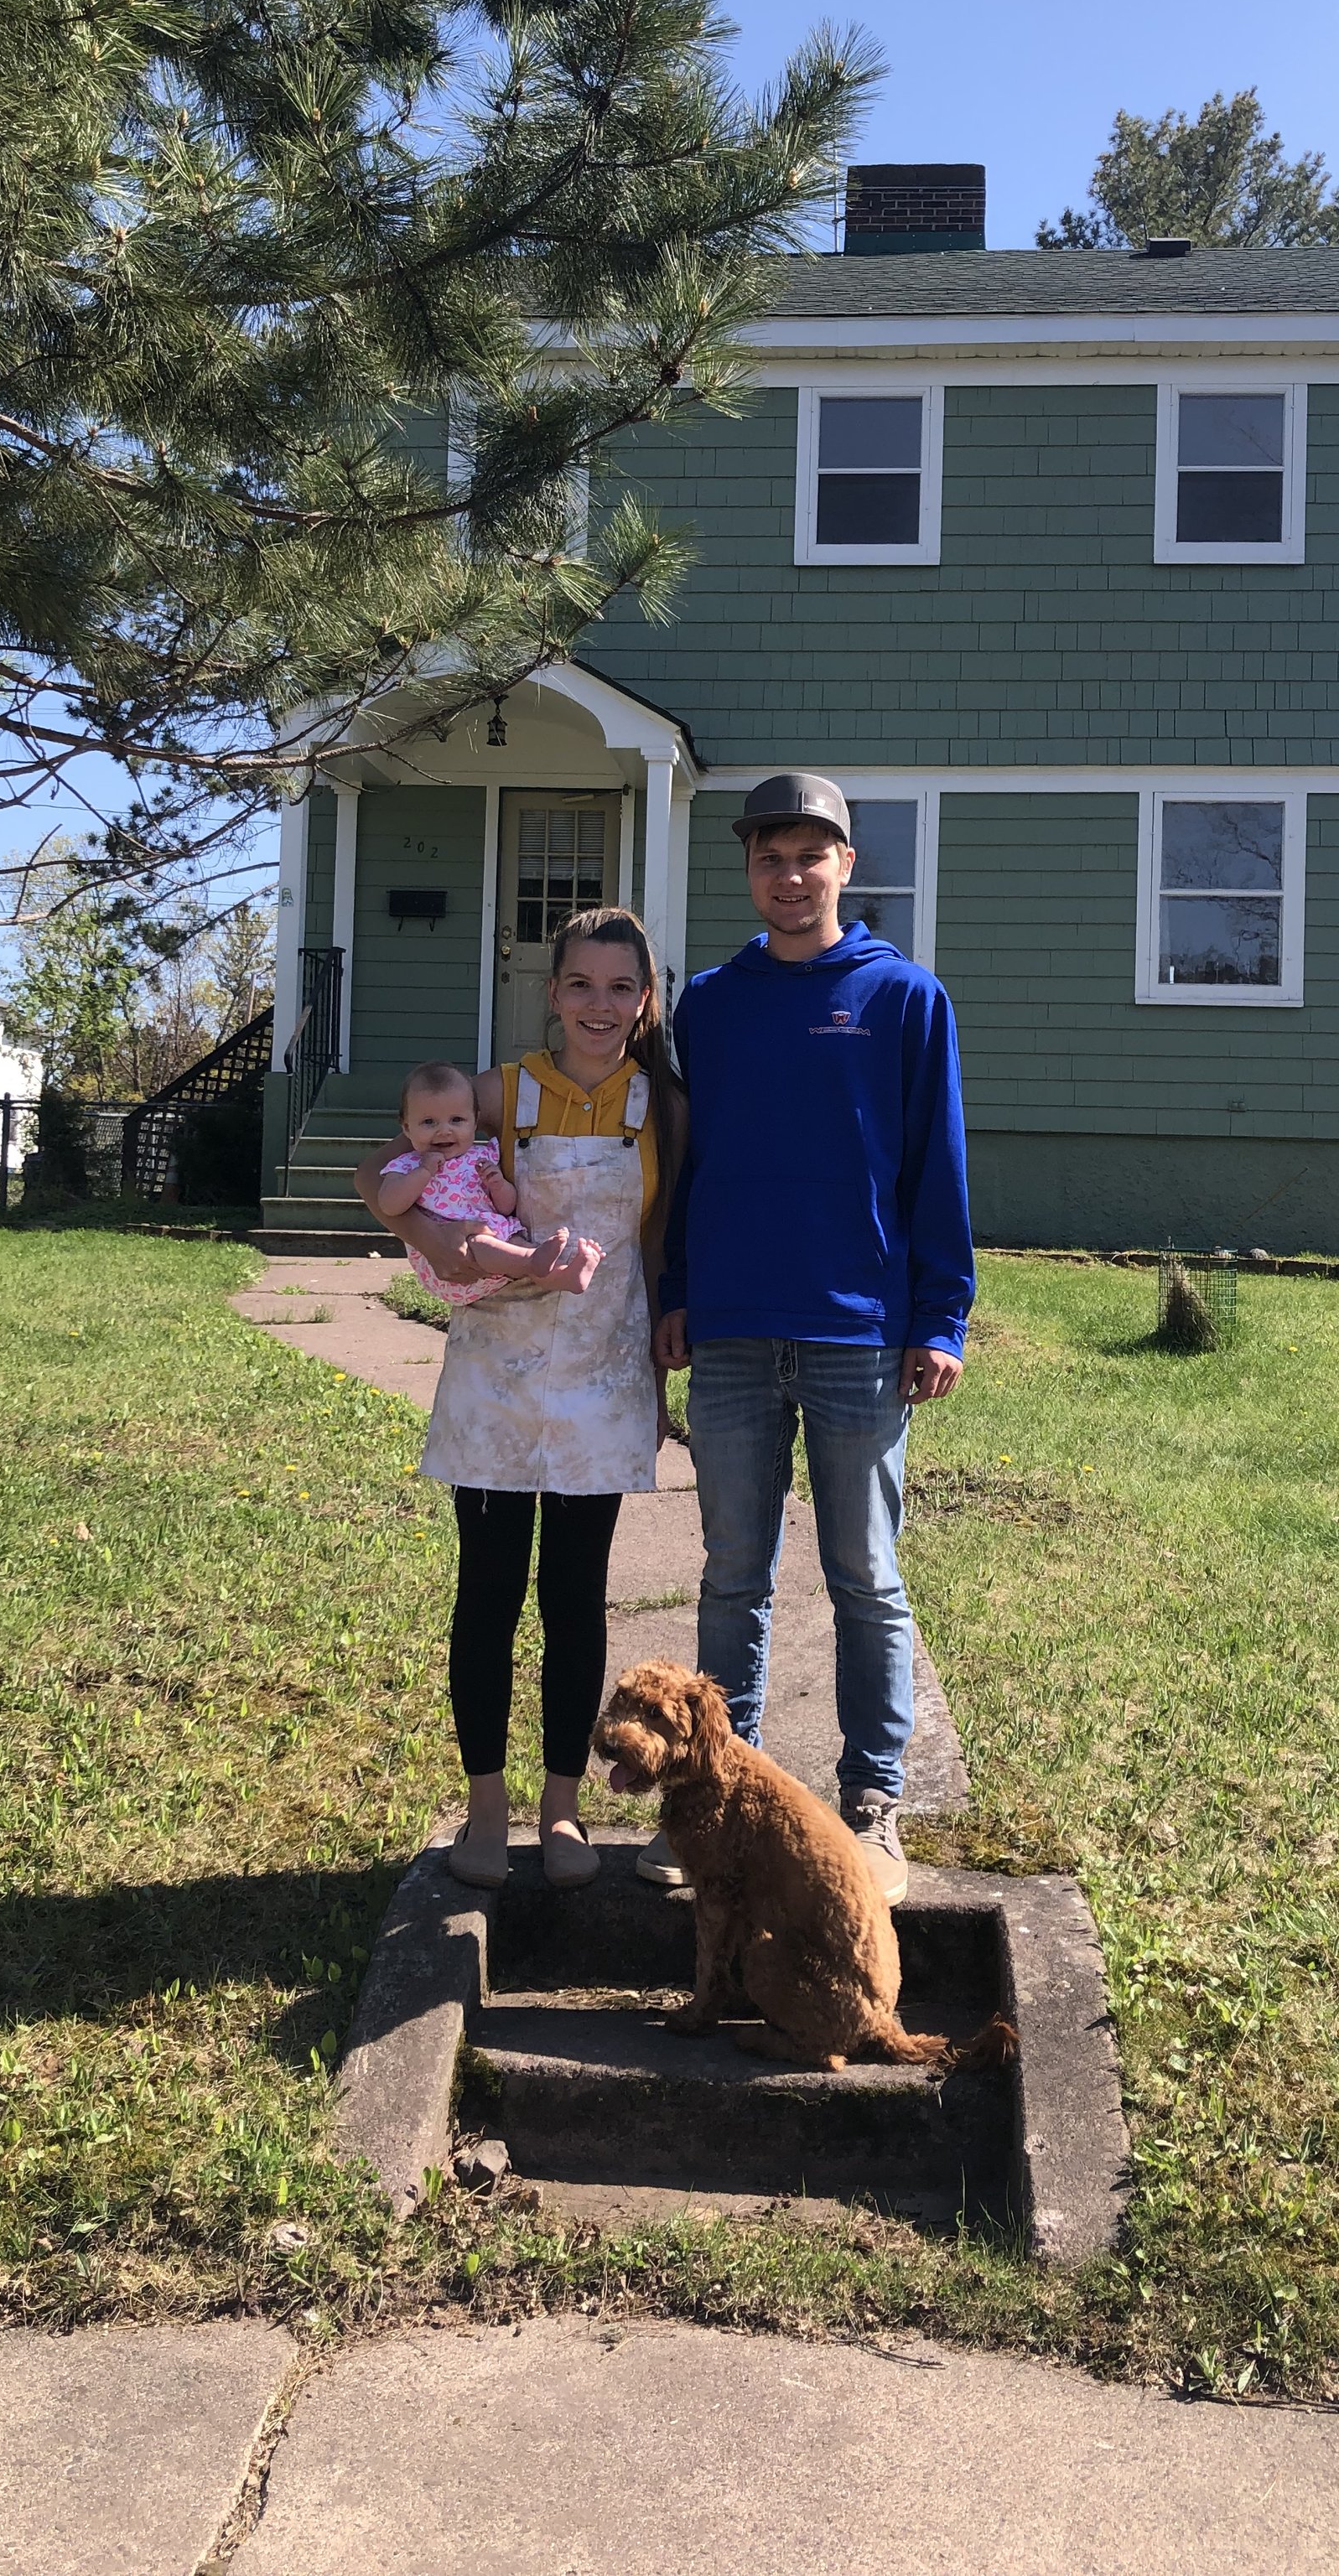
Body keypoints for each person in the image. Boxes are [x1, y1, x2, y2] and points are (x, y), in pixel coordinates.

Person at [651, 771, 972, 1906]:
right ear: (749, 872)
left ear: (846, 864)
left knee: (864, 1578)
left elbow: (937, 1167)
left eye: (810, 856)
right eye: (769, 858)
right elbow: (689, 1163)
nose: (789, 877)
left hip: (857, 1336)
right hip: (733, 1330)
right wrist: (678, 1288)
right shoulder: (712, 1002)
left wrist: (941, 1315)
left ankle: (873, 1804)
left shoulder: (903, 998)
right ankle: (707, 1801)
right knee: (734, 1575)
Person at [356, 906, 682, 1893]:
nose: (599, 1004)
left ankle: (563, 1806)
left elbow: (661, 1236)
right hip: (495, 1372)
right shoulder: (501, 1093)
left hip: (603, 1371)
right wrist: (430, 1236)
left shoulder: (662, 1103)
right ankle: (485, 1804)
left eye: (620, 987)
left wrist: (664, 1365)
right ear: (551, 994)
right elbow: (384, 1168)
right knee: (488, 1594)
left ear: (644, 999)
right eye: (579, 984)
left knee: (576, 1597)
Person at [373, 1060, 601, 1304]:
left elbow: (506, 1207)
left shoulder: (482, 1158)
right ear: (407, 1128)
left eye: (457, 1120)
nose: (444, 1131)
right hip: (450, 1260)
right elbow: (389, 1205)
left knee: (515, 1243)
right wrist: (423, 1172)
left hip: (496, 1242)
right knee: (483, 1243)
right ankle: (532, 1259)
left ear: (475, 1120)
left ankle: (565, 1277)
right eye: (429, 1122)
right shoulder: (406, 1165)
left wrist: (497, 1184)